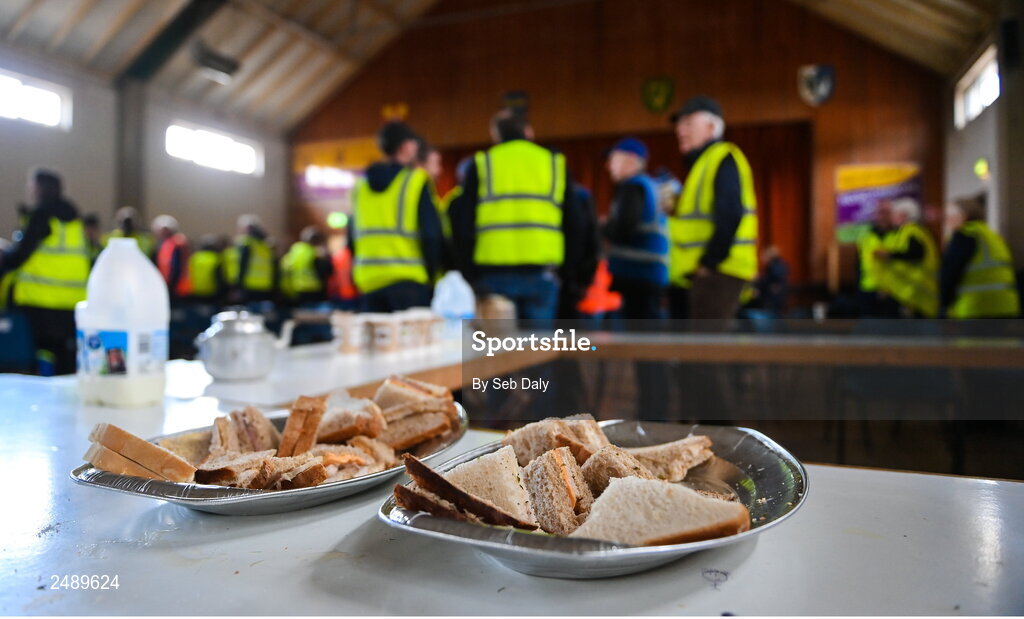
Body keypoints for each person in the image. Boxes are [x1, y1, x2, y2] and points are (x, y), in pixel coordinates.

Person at [448, 109, 586, 326]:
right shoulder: (554, 164)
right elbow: (575, 224)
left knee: (499, 354)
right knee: (537, 352)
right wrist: (568, 274)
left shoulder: (483, 164)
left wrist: (470, 275)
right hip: (542, 273)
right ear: (528, 132)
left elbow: (462, 225)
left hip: (493, 275)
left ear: (495, 136)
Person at [667, 96, 758, 322]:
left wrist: (709, 263)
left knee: (707, 351)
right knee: (703, 349)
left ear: (711, 127)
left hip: (719, 273)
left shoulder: (722, 157)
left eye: (688, 123)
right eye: (679, 125)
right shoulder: (703, 164)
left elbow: (731, 213)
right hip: (705, 275)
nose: (680, 130)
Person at [0, 169, 90, 374]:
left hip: (38, 301)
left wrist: (6, 256)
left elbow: (20, 256)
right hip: (71, 302)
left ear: (40, 188)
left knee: (35, 357)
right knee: (63, 359)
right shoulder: (75, 221)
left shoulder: (41, 215)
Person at [349, 121, 444, 312]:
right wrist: (433, 275)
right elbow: (431, 235)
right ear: (406, 146)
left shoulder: (360, 187)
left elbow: (351, 238)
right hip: (408, 282)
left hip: (368, 282)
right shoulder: (415, 181)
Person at [603, 137, 668, 320]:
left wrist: (602, 229)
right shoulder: (648, 186)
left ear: (631, 160)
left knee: (637, 342)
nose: (609, 166)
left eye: (613, 159)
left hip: (638, 278)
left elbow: (625, 226)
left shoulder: (634, 186)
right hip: (647, 277)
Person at [940, 194, 1019, 318]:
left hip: (977, 307)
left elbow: (950, 273)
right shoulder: (991, 235)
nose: (946, 221)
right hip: (1006, 306)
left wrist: (943, 305)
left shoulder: (965, 235)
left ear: (963, 216)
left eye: (949, 216)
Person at [875, 198, 938, 318]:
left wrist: (889, 254)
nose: (892, 217)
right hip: (908, 289)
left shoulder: (912, 231)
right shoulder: (906, 231)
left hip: (915, 289)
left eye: (895, 214)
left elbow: (915, 254)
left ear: (904, 215)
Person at [856, 200, 897, 317]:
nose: (882, 217)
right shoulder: (866, 236)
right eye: (879, 213)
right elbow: (859, 265)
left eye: (886, 212)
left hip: (894, 291)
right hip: (869, 290)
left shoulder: (899, 235)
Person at [224, 214, 276, 304]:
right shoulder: (266, 244)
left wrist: (237, 287)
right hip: (266, 286)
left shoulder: (246, 243)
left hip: (249, 286)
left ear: (247, 228)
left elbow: (242, 265)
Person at [280, 226, 333, 307]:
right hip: (314, 289)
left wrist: (286, 289)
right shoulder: (315, 252)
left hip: (296, 289)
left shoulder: (294, 251)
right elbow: (328, 270)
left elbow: (286, 268)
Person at [152, 215, 190, 303]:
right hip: (168, 286)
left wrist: (171, 286)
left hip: (177, 288)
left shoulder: (176, 244)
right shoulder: (163, 245)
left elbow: (177, 267)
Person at [752, 245, 789, 315]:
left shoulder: (775, 268)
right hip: (774, 303)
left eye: (763, 255)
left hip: (771, 304)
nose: (761, 258)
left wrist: (758, 281)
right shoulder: (775, 266)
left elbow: (770, 284)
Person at [188, 234, 224, 305]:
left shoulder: (195, 258)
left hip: (195, 291)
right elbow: (219, 278)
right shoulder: (216, 258)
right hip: (212, 293)